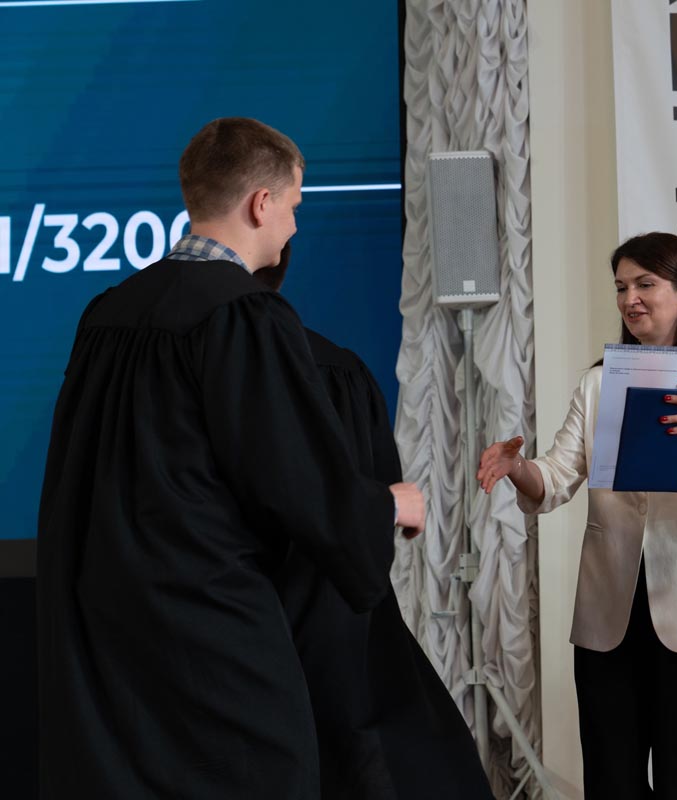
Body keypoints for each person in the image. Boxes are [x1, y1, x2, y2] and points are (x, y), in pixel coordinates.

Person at [37, 117, 425, 799]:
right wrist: (386, 504)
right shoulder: (245, 316)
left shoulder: (107, 313)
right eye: (294, 206)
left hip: (110, 625)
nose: (295, 227)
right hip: (210, 625)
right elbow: (293, 477)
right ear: (260, 203)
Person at [477, 232, 677, 798]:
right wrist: (517, 467)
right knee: (612, 785)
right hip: (609, 620)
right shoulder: (598, 382)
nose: (629, 299)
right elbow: (554, 479)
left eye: (645, 284)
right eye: (620, 287)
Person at [257, 242, 492, 799]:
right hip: (341, 604)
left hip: (258, 612)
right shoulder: (339, 368)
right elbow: (382, 485)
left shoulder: (201, 372)